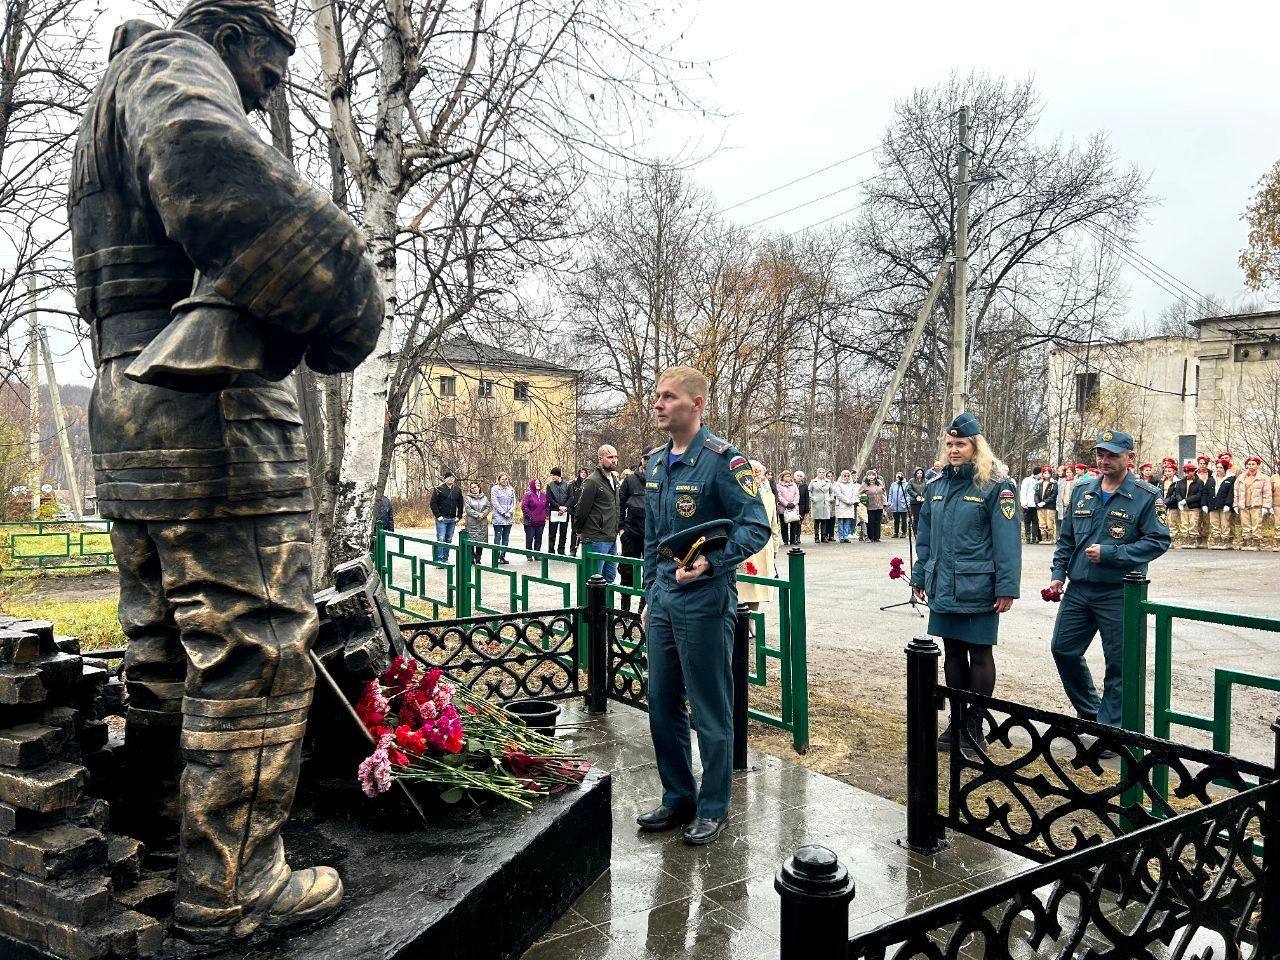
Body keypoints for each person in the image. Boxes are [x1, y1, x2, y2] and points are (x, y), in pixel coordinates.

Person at [70, 0, 385, 939]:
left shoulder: (105, 97)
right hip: (206, 402)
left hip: (128, 396)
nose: (266, 92)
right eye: (269, 71)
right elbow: (206, 154)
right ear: (235, 36)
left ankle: (171, 839)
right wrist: (345, 285)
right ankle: (235, 882)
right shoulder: (174, 63)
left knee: (164, 643)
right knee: (253, 647)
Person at [638, 366, 770, 846]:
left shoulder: (724, 463)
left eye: (668, 397)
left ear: (696, 404)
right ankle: (679, 797)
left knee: (710, 708)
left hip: (707, 599)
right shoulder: (655, 464)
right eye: (657, 396)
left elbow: (755, 526)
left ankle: (714, 807)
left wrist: (713, 563)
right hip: (666, 602)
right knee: (661, 703)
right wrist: (650, 595)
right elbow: (653, 540)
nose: (658, 404)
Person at [911, 413, 1021, 752]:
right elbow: (925, 536)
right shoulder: (937, 487)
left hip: (978, 587)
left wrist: (1006, 587)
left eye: (961, 444)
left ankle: (975, 724)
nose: (954, 450)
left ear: (976, 446)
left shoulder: (995, 486)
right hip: (943, 584)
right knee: (952, 652)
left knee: (980, 652)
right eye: (949, 444)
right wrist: (919, 574)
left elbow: (1007, 541)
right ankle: (956, 721)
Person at [1049, 430, 1170, 731]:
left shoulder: (1146, 496)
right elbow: (1066, 540)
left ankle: (1109, 728)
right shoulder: (1081, 491)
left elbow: (1158, 541)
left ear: (1130, 458)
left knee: (1118, 663)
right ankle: (1090, 712)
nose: (1104, 460)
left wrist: (1112, 553)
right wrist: (1057, 575)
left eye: (1112, 455)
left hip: (1120, 591)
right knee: (1063, 649)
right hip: (1079, 588)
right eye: (1100, 454)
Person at [574, 445, 620, 582]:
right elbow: (582, 509)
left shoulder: (614, 480)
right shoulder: (592, 481)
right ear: (600, 459)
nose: (614, 460)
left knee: (610, 578)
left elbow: (616, 507)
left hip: (611, 537)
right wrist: (579, 530)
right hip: (596, 537)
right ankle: (592, 604)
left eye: (616, 457)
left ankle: (605, 604)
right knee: (594, 579)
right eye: (610, 457)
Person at [738, 460, 780, 609]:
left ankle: (752, 620)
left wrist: (775, 548)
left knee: (758, 587)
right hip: (743, 546)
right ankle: (742, 623)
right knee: (743, 585)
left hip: (763, 546)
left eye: (758, 473)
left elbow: (774, 525)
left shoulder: (769, 496)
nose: (756, 477)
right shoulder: (737, 494)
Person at [617, 456, 647, 610]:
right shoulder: (630, 480)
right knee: (627, 570)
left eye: (652, 457)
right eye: (646, 458)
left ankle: (643, 609)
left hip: (651, 535)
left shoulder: (660, 477)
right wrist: (621, 528)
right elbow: (620, 504)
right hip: (631, 532)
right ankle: (625, 609)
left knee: (649, 573)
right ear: (641, 459)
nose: (648, 461)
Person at [1234, 455, 1273, 550]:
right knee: (1245, 524)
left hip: (1256, 505)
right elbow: (1236, 491)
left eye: (1253, 464)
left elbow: (1267, 493)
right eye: (1249, 464)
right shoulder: (1241, 477)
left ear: (1257, 465)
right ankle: (1247, 541)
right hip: (1244, 505)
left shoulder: (1263, 478)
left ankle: (1256, 542)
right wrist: (1235, 504)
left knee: (1256, 524)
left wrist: (1266, 506)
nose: (1251, 466)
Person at [430, 471, 463, 563]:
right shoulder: (439, 489)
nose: (451, 479)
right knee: (441, 538)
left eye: (452, 477)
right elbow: (433, 503)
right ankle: (439, 560)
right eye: (449, 477)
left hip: (452, 518)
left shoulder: (457, 490)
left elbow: (460, 503)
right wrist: (438, 515)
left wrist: (459, 516)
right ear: (445, 479)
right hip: (442, 518)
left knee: (448, 539)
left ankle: (445, 558)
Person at [1208, 457, 1235, 550]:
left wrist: (1228, 504)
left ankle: (1225, 540)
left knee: (1224, 523)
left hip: (1224, 505)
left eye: (1221, 468)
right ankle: (1216, 539)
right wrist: (1205, 504)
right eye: (1217, 467)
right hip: (1212, 504)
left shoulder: (1231, 479)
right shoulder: (1211, 478)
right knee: (1214, 523)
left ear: (1225, 469)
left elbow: (1231, 493)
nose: (1219, 470)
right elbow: (1206, 492)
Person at [546, 467, 573, 554]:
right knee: (552, 533)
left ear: (558, 475)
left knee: (563, 533)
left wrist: (565, 507)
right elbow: (549, 498)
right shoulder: (549, 485)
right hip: (554, 511)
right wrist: (559, 507)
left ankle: (561, 550)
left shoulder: (567, 485)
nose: (552, 477)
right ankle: (551, 550)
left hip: (564, 512)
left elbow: (571, 497)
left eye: (553, 475)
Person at [490, 473, 516, 563]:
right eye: (503, 479)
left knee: (506, 538)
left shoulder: (511, 489)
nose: (505, 481)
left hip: (509, 518)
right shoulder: (495, 489)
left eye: (506, 479)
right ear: (499, 480)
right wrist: (503, 512)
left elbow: (514, 502)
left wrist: (510, 512)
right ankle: (496, 557)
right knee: (498, 537)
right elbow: (495, 502)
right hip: (498, 517)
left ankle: (502, 556)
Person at [1186, 458, 1210, 548]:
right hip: (1196, 500)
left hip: (1206, 498)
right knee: (1197, 520)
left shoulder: (1211, 474)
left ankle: (1205, 538)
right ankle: (1197, 538)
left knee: (1206, 520)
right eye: (1200, 463)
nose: (1202, 465)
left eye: (1204, 463)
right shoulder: (1194, 474)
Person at [463, 482, 490, 564]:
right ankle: (471, 558)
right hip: (472, 522)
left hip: (482, 523)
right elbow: (468, 509)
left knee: (480, 541)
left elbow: (488, 507)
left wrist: (483, 514)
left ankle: (478, 558)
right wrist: (477, 515)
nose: (473, 489)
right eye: (472, 488)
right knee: (471, 541)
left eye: (475, 487)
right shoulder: (468, 498)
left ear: (479, 488)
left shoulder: (484, 498)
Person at [520, 478, 548, 555]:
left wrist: (545, 515)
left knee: (538, 539)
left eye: (539, 483)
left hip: (541, 521)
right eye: (536, 483)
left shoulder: (543, 495)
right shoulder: (528, 495)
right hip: (530, 522)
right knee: (529, 538)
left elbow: (546, 506)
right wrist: (530, 515)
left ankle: (537, 554)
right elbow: (524, 506)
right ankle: (529, 554)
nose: (538, 484)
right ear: (533, 485)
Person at [775, 470, 802, 545]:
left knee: (794, 524)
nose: (788, 478)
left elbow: (797, 495)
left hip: (793, 508)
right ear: (782, 477)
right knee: (784, 525)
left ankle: (793, 540)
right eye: (786, 476)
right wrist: (786, 504)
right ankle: (785, 540)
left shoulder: (794, 485)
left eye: (789, 476)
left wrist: (793, 503)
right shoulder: (778, 486)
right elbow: (779, 496)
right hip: (783, 508)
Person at [833, 470, 858, 542]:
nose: (846, 477)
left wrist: (852, 501)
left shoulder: (851, 484)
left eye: (848, 476)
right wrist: (847, 501)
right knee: (841, 521)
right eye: (845, 476)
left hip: (850, 505)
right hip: (841, 504)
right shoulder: (838, 484)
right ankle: (841, 537)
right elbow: (839, 494)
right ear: (842, 476)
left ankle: (846, 536)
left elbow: (855, 493)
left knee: (847, 520)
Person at [809, 469, 833, 543]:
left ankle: (824, 536)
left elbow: (831, 492)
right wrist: (813, 498)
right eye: (820, 472)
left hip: (825, 502)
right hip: (817, 502)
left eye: (823, 472)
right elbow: (809, 491)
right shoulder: (813, 481)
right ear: (817, 473)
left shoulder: (828, 481)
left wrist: (830, 499)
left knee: (824, 520)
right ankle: (816, 536)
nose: (821, 474)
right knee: (817, 520)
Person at [568, 467, 589, 553]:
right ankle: (573, 550)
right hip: (575, 511)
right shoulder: (573, 484)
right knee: (574, 531)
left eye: (585, 472)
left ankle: (586, 552)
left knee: (586, 532)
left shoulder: (589, 483)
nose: (583, 474)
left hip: (587, 511)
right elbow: (570, 497)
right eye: (582, 472)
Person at [1035, 466, 1058, 544]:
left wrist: (1045, 502)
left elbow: (1053, 495)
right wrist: (1037, 503)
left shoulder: (1053, 483)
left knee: (1049, 522)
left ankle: (1050, 539)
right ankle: (1043, 538)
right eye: (1045, 473)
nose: (1046, 475)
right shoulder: (1039, 483)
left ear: (1051, 474)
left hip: (1050, 506)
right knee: (1042, 523)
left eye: (1048, 473)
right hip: (1040, 507)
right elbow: (1036, 494)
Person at [862, 471, 886, 542]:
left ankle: (877, 537)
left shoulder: (879, 483)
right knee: (871, 521)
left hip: (879, 506)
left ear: (875, 476)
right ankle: (871, 537)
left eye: (873, 475)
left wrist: (885, 503)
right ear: (867, 476)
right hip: (870, 506)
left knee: (878, 521)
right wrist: (863, 500)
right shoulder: (864, 484)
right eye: (869, 475)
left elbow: (884, 493)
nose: (871, 476)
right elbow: (859, 493)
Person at [1018, 468, 1040, 544]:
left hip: (1036, 505)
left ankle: (1034, 538)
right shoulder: (1027, 480)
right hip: (1028, 504)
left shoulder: (1040, 481)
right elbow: (1023, 491)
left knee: (1035, 521)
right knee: (1027, 521)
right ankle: (1027, 537)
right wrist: (1023, 502)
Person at [888, 472, 911, 537]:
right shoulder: (893, 485)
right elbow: (890, 494)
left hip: (903, 505)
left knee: (903, 520)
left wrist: (907, 503)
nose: (898, 478)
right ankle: (896, 532)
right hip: (895, 505)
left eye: (899, 476)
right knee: (896, 520)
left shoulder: (906, 484)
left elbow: (908, 495)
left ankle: (904, 532)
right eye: (897, 477)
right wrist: (890, 503)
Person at [908, 468, 928, 533]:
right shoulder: (911, 481)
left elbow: (928, 490)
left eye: (921, 473)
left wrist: (924, 497)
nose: (919, 475)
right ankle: (915, 532)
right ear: (915, 474)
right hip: (914, 502)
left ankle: (923, 531)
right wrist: (916, 495)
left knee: (923, 517)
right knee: (916, 517)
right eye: (918, 473)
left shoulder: (926, 481)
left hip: (923, 501)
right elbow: (909, 489)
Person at [795, 470, 811, 541]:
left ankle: (798, 537)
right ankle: (793, 537)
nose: (799, 477)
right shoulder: (792, 485)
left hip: (802, 507)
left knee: (799, 522)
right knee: (793, 522)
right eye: (798, 476)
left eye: (801, 476)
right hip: (793, 506)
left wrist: (807, 510)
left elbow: (807, 498)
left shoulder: (805, 486)